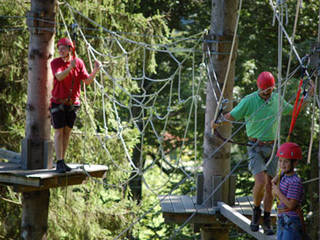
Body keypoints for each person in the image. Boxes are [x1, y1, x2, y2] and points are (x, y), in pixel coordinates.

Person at [212, 71, 296, 235]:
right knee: (260, 181)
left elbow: (293, 110)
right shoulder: (249, 101)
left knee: (271, 186)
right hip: (255, 146)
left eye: (270, 90)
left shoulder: (276, 99)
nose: (268, 93)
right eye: (265, 90)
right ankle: (256, 213)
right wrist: (218, 121)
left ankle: (266, 220)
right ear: (259, 88)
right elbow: (232, 115)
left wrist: (306, 98)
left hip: (272, 147)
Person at [50, 38, 101, 173]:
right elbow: (59, 76)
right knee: (58, 131)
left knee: (67, 132)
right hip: (58, 102)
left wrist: (95, 70)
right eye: (59, 48)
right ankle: (59, 161)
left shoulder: (78, 63)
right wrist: (70, 67)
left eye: (63, 48)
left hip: (72, 104)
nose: (60, 51)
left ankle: (62, 160)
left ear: (70, 49)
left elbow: (87, 81)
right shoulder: (56, 62)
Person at [272, 142, 305, 240]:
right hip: (282, 219)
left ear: (294, 163)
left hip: (291, 221)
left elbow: (291, 205)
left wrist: (278, 192)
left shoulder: (295, 181)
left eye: (286, 162)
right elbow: (272, 187)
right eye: (280, 161)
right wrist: (279, 175)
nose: (282, 164)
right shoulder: (284, 177)